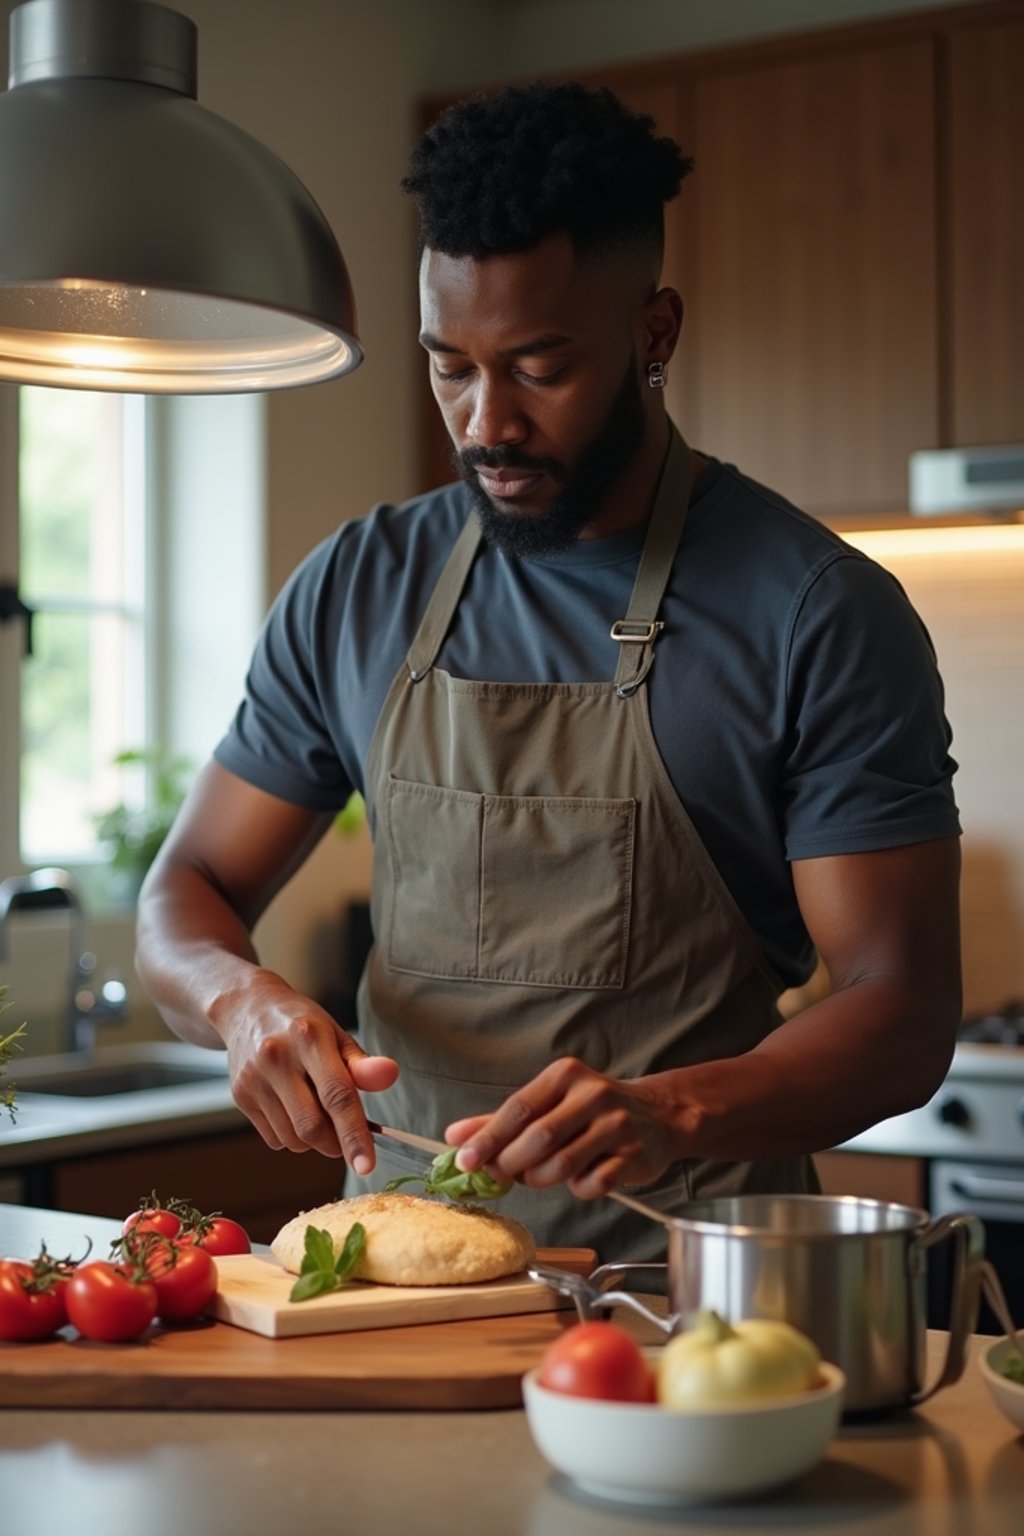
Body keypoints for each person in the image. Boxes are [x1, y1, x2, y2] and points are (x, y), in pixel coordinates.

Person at [135, 81, 963, 1263]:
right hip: (400, 1268)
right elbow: (187, 892)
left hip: (685, 1290)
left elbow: (902, 1010)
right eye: (450, 367)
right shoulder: (361, 584)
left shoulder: (814, 612)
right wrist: (239, 1002)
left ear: (655, 332)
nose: (486, 423)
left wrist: (669, 1111)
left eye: (538, 366)